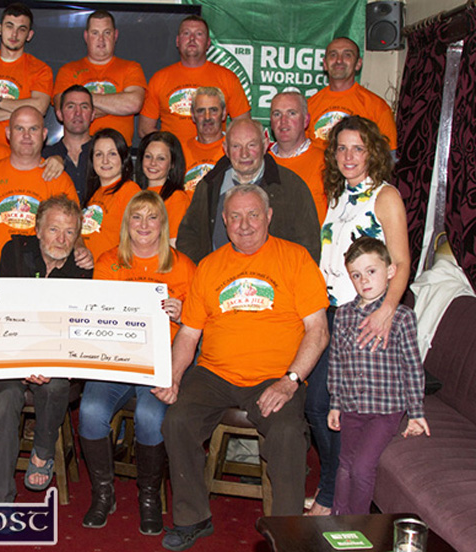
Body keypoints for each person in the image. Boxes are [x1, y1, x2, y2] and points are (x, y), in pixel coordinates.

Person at [157, 185, 329, 551]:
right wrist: (172, 375)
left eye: (253, 215)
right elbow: (189, 334)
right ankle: (193, 518)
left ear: (268, 217)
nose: (244, 224)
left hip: (277, 375)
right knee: (177, 420)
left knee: (285, 435)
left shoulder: (296, 259)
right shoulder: (210, 265)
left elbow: (318, 330)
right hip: (214, 374)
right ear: (224, 220)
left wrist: (291, 381)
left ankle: (287, 533)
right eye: (235, 216)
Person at [306, 115, 411, 516]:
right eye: (342, 148)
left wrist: (386, 311)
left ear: (373, 153)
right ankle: (333, 487)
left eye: (358, 148)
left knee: (333, 406)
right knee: (317, 406)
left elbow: (400, 262)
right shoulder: (337, 196)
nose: (349, 156)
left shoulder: (386, 196)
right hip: (330, 313)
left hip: (364, 317)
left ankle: (333, 494)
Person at [81, 190, 195, 535]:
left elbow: (197, 326)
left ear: (163, 224)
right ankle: (104, 493)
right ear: (126, 223)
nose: (144, 225)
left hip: (159, 362)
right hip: (114, 359)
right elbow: (97, 317)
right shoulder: (108, 261)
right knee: (89, 411)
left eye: (152, 217)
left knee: (148, 415)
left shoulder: (183, 266)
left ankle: (149, 497)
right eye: (136, 216)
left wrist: (182, 312)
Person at [0, 195, 92, 503]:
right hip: (8, 354)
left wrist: (48, 363)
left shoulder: (83, 268)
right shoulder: (14, 251)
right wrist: (22, 363)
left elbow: (77, 330)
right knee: (4, 400)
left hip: (57, 359)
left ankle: (43, 451)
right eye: (54, 229)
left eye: (70, 232)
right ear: (38, 229)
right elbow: (6, 313)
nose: (61, 238)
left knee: (55, 384)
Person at [328, 237, 429, 515]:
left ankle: (359, 525)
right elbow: (336, 360)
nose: (364, 281)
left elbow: (412, 366)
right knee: (345, 464)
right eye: (357, 275)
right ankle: (337, 520)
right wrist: (335, 403)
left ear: (390, 271)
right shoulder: (344, 315)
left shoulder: (401, 317)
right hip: (351, 407)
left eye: (371, 271)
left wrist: (416, 412)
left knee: (362, 467)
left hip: (385, 410)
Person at [176, 118, 320, 265]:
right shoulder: (209, 186)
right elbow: (189, 235)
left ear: (265, 145)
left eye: (251, 145)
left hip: (274, 283)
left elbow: (309, 244)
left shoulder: (291, 186)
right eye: (236, 146)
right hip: (219, 281)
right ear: (225, 149)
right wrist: (203, 269)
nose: (244, 154)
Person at [0, 106, 83, 275]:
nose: (26, 136)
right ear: (8, 133)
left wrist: (82, 251)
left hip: (43, 283)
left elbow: (75, 232)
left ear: (44, 134)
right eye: (19, 128)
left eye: (33, 129)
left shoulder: (59, 179)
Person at [139, 15, 250, 144]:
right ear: (177, 41)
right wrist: (168, 150)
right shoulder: (159, 79)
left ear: (208, 43)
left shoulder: (227, 78)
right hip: (174, 161)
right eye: (186, 33)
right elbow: (144, 129)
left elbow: (244, 127)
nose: (192, 39)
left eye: (199, 34)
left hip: (215, 160)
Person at [52, 10, 146, 145]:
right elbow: (62, 111)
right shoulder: (68, 71)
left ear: (115, 35)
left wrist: (81, 105)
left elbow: (134, 103)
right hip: (77, 152)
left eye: (107, 33)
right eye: (95, 33)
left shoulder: (131, 68)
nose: (101, 39)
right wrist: (115, 105)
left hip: (119, 153)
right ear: (86, 36)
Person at [0, 3, 53, 148]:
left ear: (29, 35)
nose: (14, 34)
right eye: (9, 26)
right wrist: (24, 113)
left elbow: (40, 107)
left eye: (21, 29)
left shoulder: (41, 70)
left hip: (22, 154)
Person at [308, 37, 397, 151]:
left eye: (347, 55)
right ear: (325, 64)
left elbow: (388, 157)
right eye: (333, 55)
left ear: (358, 64)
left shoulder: (378, 107)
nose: (339, 60)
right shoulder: (309, 105)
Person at [80, 128, 140, 261]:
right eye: (99, 154)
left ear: (123, 158)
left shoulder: (130, 191)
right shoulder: (94, 193)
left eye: (112, 154)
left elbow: (138, 241)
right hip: (90, 273)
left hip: (114, 273)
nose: (105, 161)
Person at [269, 91, 327, 227]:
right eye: (277, 114)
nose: (283, 121)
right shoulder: (261, 162)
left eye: (292, 113)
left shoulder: (326, 162)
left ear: (306, 120)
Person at [43, 85, 95, 203]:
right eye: (71, 106)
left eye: (84, 107)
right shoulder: (44, 156)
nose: (78, 113)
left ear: (92, 115)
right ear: (60, 114)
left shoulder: (105, 156)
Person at [136, 131, 190, 246]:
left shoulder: (176, 198)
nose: (153, 163)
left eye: (161, 158)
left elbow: (173, 245)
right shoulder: (134, 192)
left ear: (172, 164)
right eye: (148, 156)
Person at [183, 87, 226, 196]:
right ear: (193, 115)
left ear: (224, 113)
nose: (207, 117)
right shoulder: (181, 152)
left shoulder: (236, 150)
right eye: (201, 111)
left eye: (213, 110)